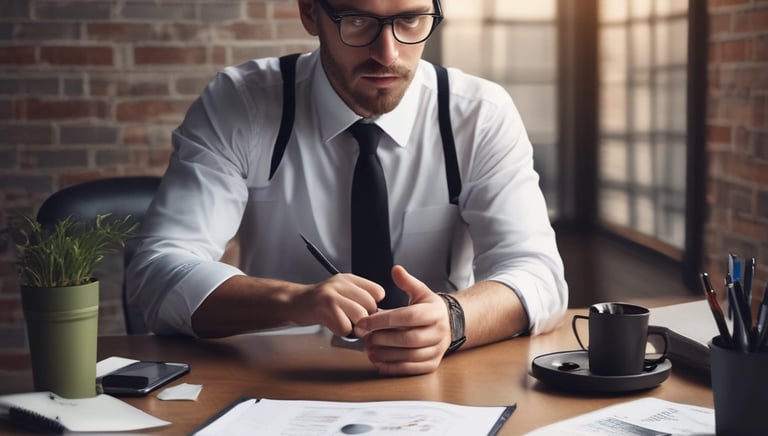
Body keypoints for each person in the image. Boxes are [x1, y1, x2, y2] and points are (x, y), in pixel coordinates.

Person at [126, 0, 568, 376]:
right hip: (276, 380)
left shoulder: (477, 115)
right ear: (310, 13)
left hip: (438, 381)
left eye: (410, 19)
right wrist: (293, 301)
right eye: (357, 21)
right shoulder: (241, 103)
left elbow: (538, 275)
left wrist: (453, 319)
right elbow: (158, 274)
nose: (387, 52)